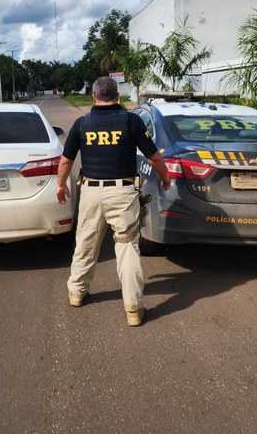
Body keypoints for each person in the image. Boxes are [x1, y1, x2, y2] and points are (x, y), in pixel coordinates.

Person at [56, 76, 171, 327]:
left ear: (93, 97)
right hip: (123, 192)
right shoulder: (131, 121)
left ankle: (76, 293)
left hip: (90, 191)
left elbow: (66, 161)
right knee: (127, 246)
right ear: (117, 96)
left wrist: (61, 185)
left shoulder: (82, 123)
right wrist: (165, 178)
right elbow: (153, 157)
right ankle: (133, 309)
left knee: (86, 241)